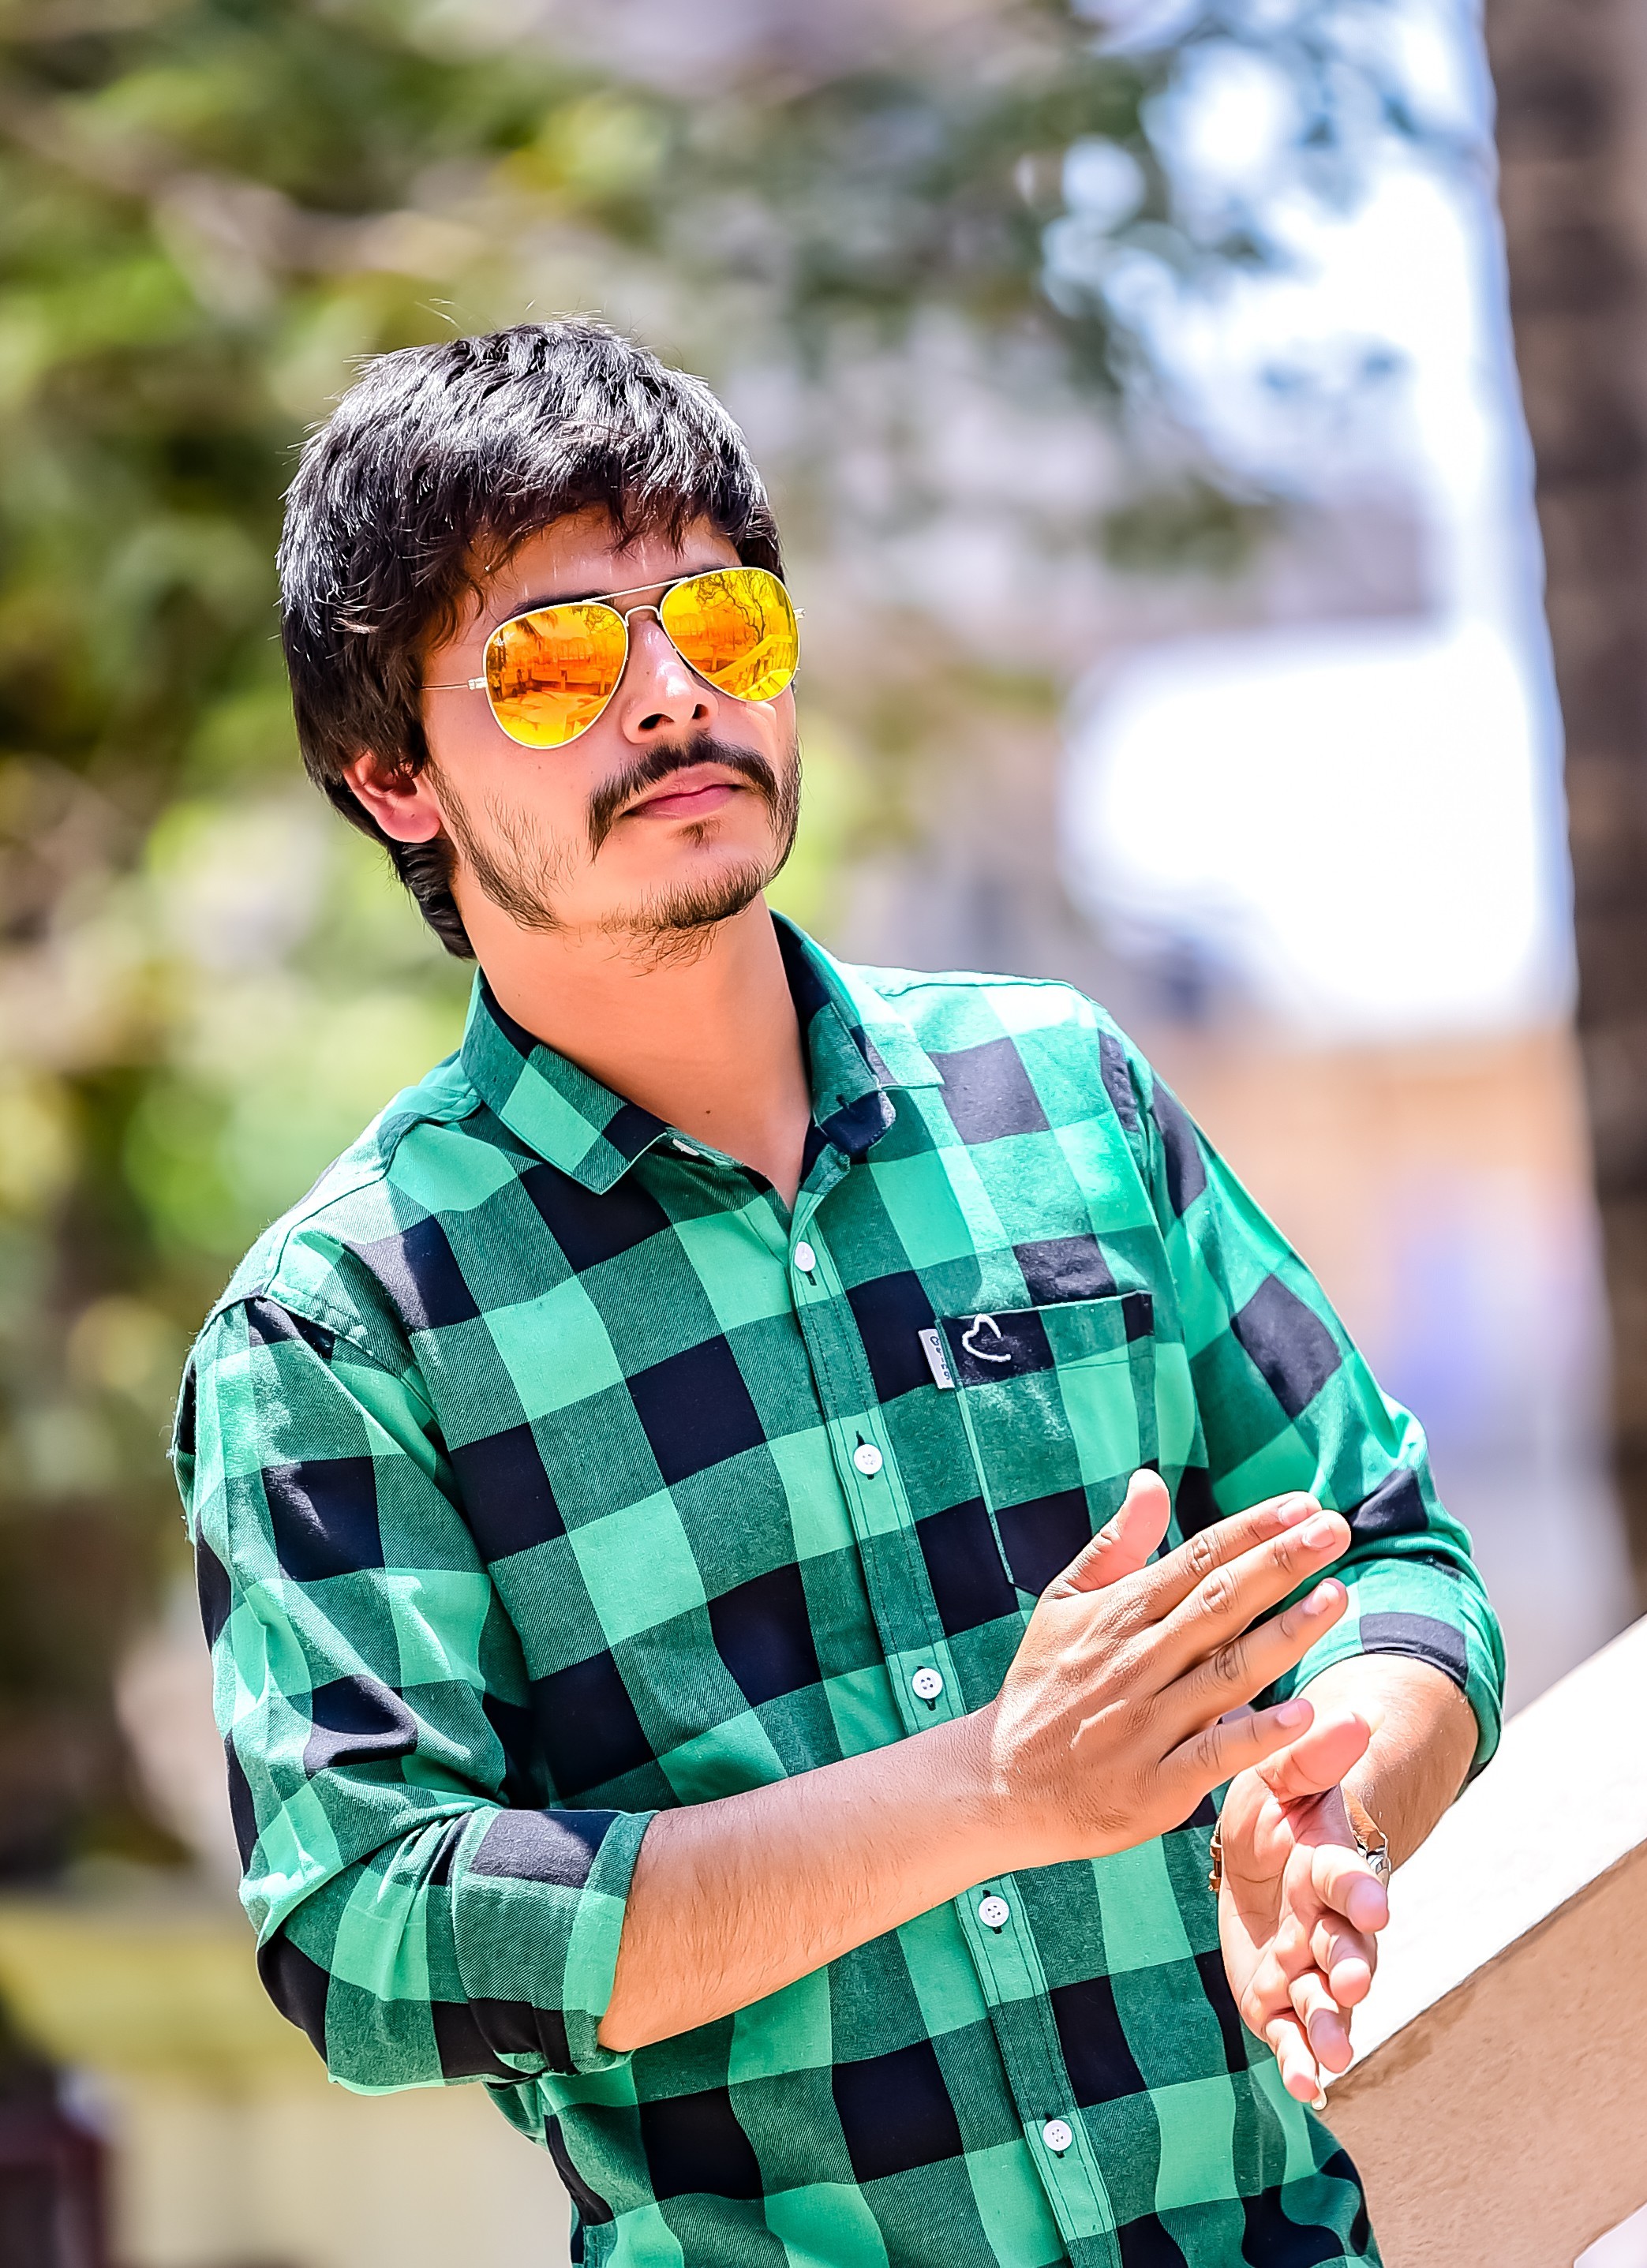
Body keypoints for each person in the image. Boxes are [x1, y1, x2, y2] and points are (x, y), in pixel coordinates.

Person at [173, 320, 1501, 2268]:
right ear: (393, 779)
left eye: (722, 622)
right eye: (554, 661)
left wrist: (1329, 1800)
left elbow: (1392, 1552)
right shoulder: (343, 1330)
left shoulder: (1063, 1093)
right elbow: (370, 1927)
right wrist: (989, 1792)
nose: (671, 695)